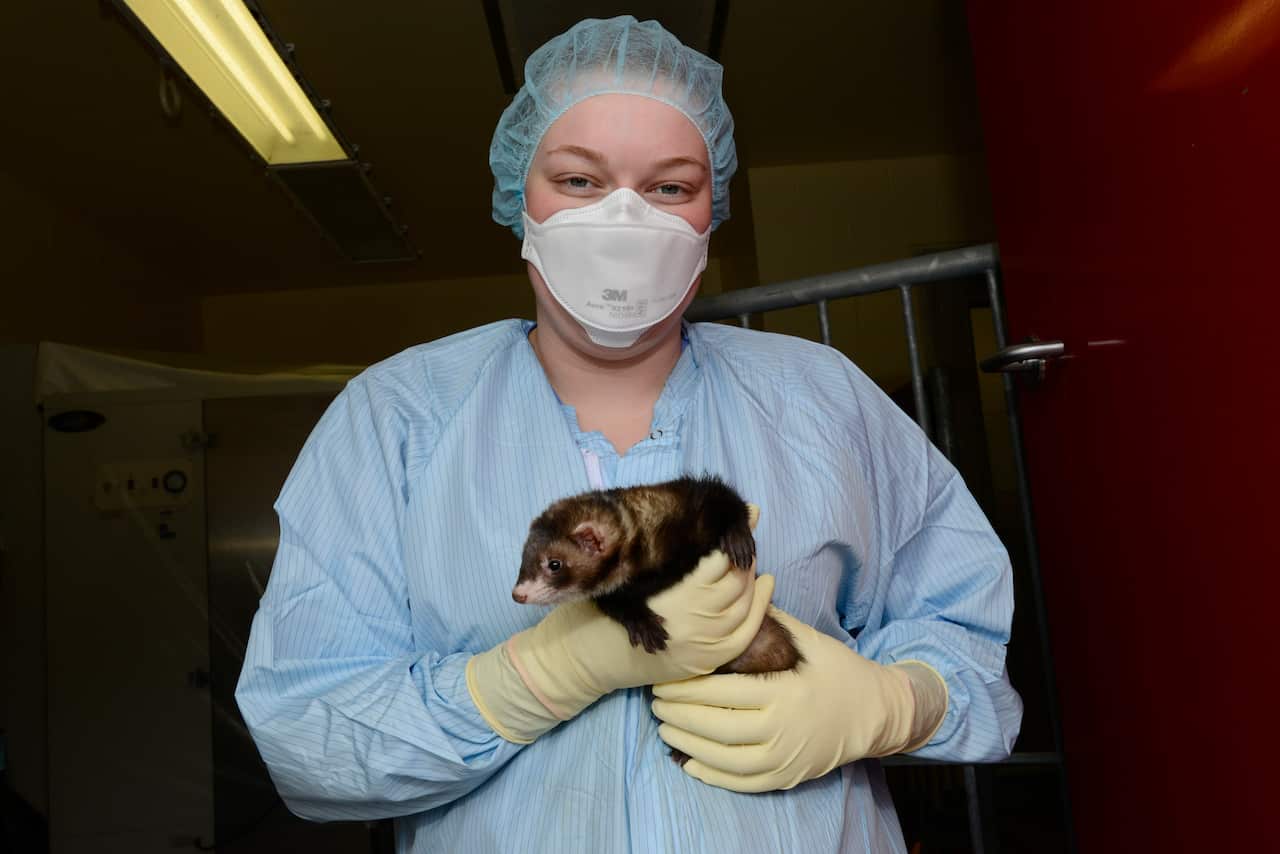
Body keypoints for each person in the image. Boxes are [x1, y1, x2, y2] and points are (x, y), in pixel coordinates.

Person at [236, 15, 1021, 853]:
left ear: (710, 212)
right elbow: (305, 734)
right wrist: (531, 679)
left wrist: (892, 702)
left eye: (670, 187)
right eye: (578, 180)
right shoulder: (396, 417)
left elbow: (965, 633)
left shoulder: (821, 400)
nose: (622, 218)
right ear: (518, 197)